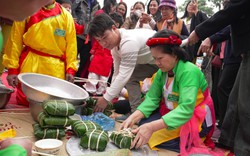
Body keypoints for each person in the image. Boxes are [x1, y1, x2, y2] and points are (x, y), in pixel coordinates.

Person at [120, 30, 215, 154]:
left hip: (196, 118)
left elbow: (186, 108)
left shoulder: (189, 72)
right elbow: (152, 99)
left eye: (160, 58)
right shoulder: (162, 72)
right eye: (154, 59)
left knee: (151, 134)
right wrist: (133, 117)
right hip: (174, 113)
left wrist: (152, 127)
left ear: (175, 55)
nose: (157, 63)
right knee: (143, 125)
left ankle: (193, 139)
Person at [188, 0, 250, 154]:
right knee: (235, 100)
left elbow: (230, 13)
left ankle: (245, 148)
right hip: (244, 53)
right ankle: (228, 140)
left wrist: (199, 32)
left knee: (245, 105)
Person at [3, 0, 78, 105]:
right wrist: (12, 69)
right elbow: (15, 40)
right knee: (26, 101)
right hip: (31, 64)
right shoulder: (27, 11)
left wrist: (71, 69)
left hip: (55, 70)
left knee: (52, 104)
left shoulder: (66, 16)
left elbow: (72, 46)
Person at [88, 13, 158, 116]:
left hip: (165, 59)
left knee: (128, 77)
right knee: (130, 78)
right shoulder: (115, 48)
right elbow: (116, 74)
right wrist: (109, 97)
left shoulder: (128, 43)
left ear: (114, 28)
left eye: (105, 37)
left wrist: (106, 98)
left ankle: (137, 115)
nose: (104, 44)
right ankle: (136, 113)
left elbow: (123, 76)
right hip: (150, 61)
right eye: (99, 41)